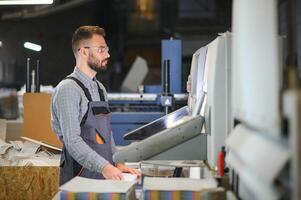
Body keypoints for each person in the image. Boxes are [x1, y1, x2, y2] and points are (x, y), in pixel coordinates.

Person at [51, 25, 140, 185]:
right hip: (79, 181)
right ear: (83, 51)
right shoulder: (68, 90)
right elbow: (73, 142)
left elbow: (106, 134)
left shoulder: (100, 88)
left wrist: (117, 162)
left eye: (106, 49)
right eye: (101, 49)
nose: (107, 54)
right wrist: (105, 167)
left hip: (103, 178)